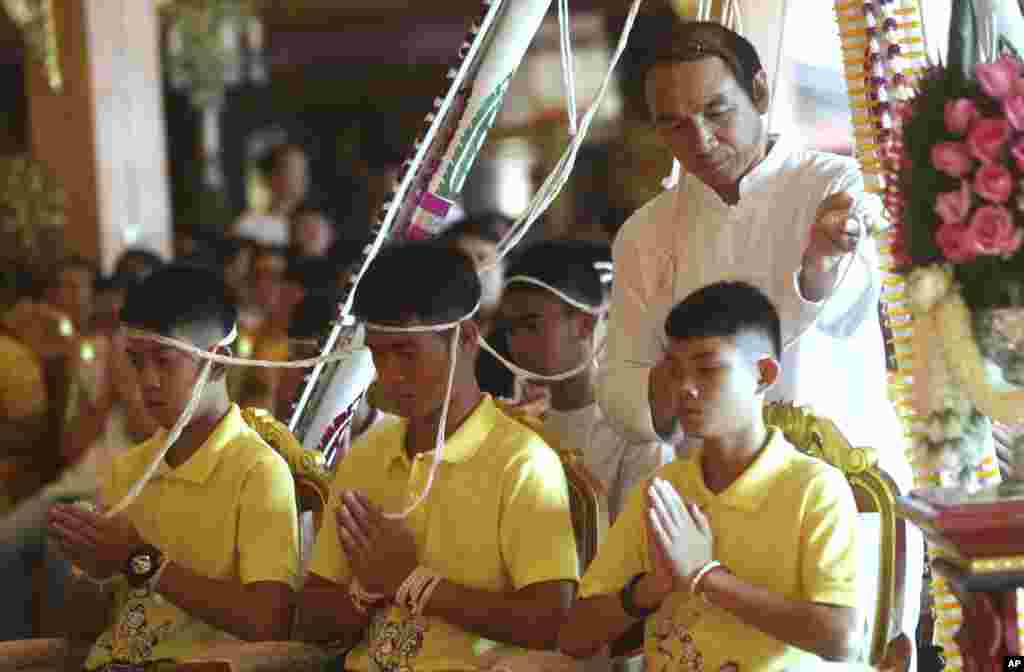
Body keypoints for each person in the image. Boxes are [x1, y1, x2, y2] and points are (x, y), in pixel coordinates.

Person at [595, 19, 923, 658]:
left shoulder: (836, 186)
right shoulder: (645, 232)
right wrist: (673, 380)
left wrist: (821, 264)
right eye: (673, 124)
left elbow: (848, 309)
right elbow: (619, 389)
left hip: (842, 483)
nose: (700, 140)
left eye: (717, 111)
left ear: (761, 91)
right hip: (713, 504)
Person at [296, 242, 578, 667]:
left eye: (406, 353)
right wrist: (365, 591)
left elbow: (551, 621)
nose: (389, 376)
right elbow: (313, 623)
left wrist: (413, 581)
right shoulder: (367, 457)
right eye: (378, 353)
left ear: (465, 338)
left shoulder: (522, 463)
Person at [559, 281, 860, 670]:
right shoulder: (663, 488)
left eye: (707, 368)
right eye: (674, 369)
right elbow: (575, 637)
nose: (684, 387)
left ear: (764, 375)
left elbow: (842, 640)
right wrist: (650, 590)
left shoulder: (815, 490)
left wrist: (706, 576)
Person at [46, 263, 300, 668]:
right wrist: (93, 573)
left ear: (218, 362)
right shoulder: (129, 467)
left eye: (164, 361)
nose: (146, 381)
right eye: (135, 362)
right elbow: (81, 632)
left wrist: (139, 561)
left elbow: (267, 622)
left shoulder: (258, 471)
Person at [500, 240, 674, 520]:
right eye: (510, 328)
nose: (517, 343)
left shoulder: (635, 433)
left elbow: (637, 551)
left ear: (584, 324)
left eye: (531, 325)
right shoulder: (513, 425)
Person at [230, 143, 310, 246]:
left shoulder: (313, 224)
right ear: (270, 177)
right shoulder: (249, 226)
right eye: (292, 170)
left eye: (303, 170)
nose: (301, 177)